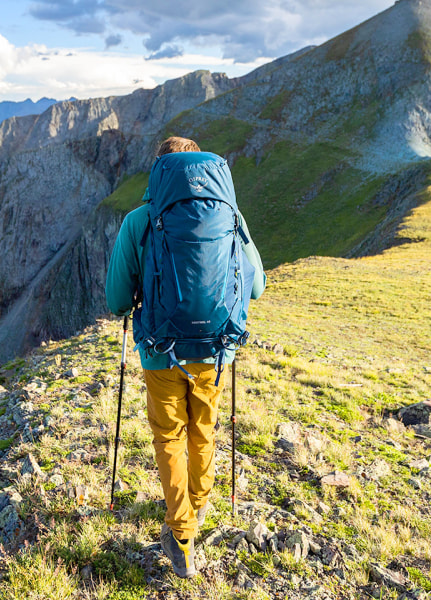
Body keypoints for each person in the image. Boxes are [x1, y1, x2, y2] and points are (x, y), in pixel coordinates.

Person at [104, 136, 265, 578]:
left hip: (160, 351)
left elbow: (117, 299)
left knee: (169, 436)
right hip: (215, 350)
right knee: (204, 429)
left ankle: (181, 533)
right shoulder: (230, 216)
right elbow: (256, 286)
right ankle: (196, 506)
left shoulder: (141, 220)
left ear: (159, 171)